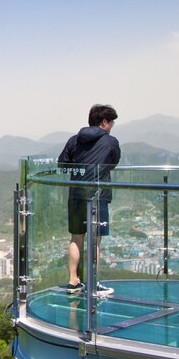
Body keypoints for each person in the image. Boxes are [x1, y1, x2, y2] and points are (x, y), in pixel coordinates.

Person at [58, 104, 121, 296]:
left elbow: (62, 164)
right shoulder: (110, 142)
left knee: (76, 238)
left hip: (76, 194)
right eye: (111, 123)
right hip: (97, 196)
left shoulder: (74, 140)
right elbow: (113, 163)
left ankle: (73, 282)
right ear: (104, 122)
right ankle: (93, 284)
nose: (111, 127)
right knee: (95, 241)